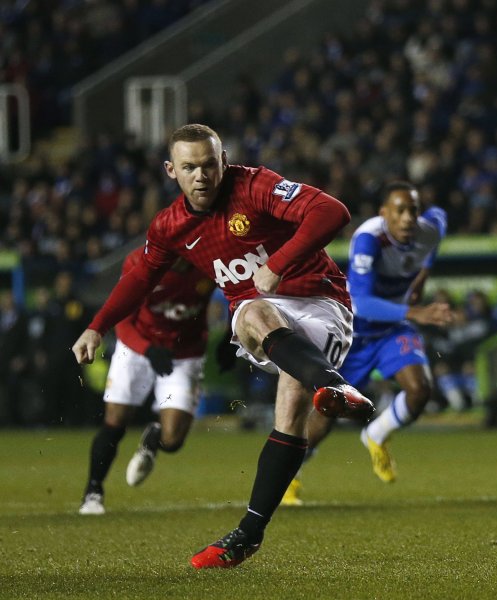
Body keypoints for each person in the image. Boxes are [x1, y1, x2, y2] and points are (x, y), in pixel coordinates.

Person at [71, 124, 375, 569]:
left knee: (289, 416)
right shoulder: (170, 225)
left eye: (209, 165)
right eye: (189, 167)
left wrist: (278, 263)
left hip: (321, 302)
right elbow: (139, 278)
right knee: (250, 311)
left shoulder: (254, 185)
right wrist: (97, 326)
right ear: (171, 170)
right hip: (265, 317)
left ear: (223, 161)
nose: (201, 175)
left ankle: (248, 533)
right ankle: (333, 388)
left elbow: (332, 211)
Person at [282, 181, 452, 504]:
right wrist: (416, 310)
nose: (407, 219)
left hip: (391, 330)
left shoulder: (429, 230)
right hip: (353, 334)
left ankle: (376, 435)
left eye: (412, 211)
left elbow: (439, 221)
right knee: (324, 416)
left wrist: (424, 275)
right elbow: (360, 301)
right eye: (399, 211)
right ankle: (290, 476)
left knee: (420, 389)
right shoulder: (368, 239)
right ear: (384, 214)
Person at [79, 250, 216, 515]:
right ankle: (93, 491)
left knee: (173, 440)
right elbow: (123, 318)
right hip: (137, 347)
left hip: (184, 352)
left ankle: (153, 438)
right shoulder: (140, 261)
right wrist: (147, 349)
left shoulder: (207, 260)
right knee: (115, 420)